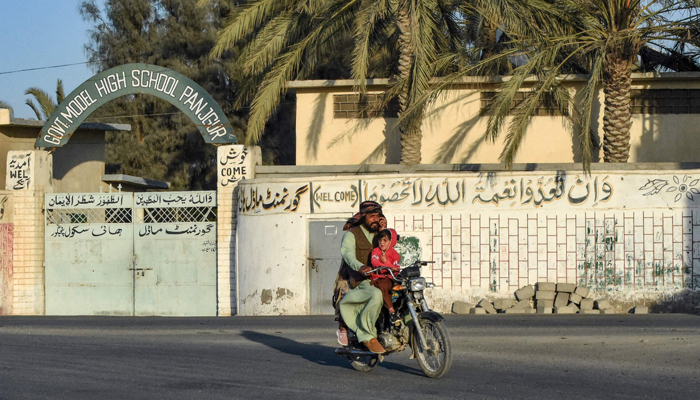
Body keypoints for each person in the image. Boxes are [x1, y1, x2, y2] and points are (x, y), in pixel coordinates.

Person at [335, 201, 386, 354]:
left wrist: (385, 230)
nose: (375, 220)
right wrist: (360, 266)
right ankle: (367, 335)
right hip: (359, 280)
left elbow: (391, 250)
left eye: (378, 216)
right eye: (372, 216)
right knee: (377, 294)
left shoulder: (381, 234)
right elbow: (348, 255)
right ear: (363, 216)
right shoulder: (351, 235)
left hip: (380, 278)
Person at [369, 228, 401, 325]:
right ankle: (392, 311)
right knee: (384, 284)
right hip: (378, 278)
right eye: (380, 240)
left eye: (385, 240)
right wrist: (387, 265)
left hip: (391, 279)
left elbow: (396, 269)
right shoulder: (375, 251)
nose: (382, 243)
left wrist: (386, 262)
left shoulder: (395, 254)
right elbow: (375, 263)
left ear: (391, 241)